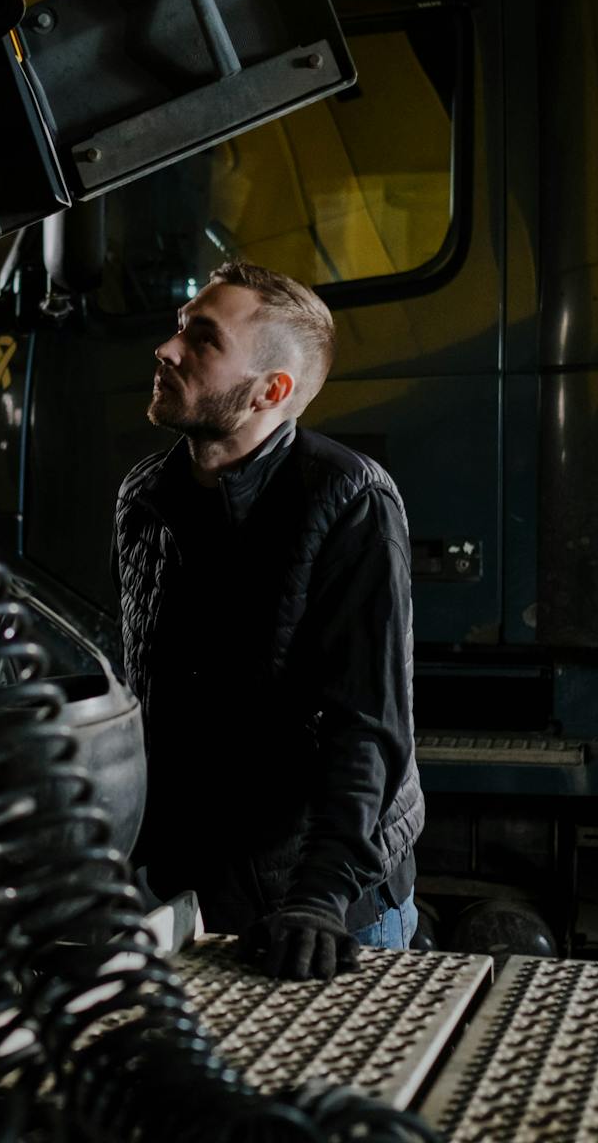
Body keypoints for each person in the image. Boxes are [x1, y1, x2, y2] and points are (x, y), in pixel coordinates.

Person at [113, 259, 424, 981]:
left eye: (202, 339)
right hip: (193, 901)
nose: (167, 349)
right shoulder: (145, 496)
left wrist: (319, 897)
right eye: (177, 329)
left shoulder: (347, 498)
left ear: (270, 391)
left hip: (326, 910)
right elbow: (153, 695)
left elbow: (366, 727)